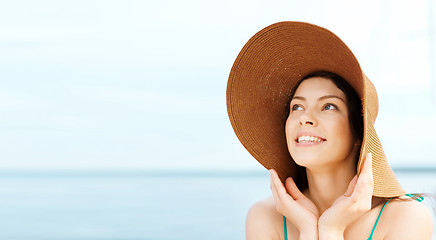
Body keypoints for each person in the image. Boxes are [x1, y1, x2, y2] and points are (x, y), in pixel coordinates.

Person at [226, 22, 433, 239]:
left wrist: (331, 230)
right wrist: (307, 229)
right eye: (297, 106)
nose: (304, 117)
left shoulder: (406, 218)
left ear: (358, 131)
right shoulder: (266, 217)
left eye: (329, 106)